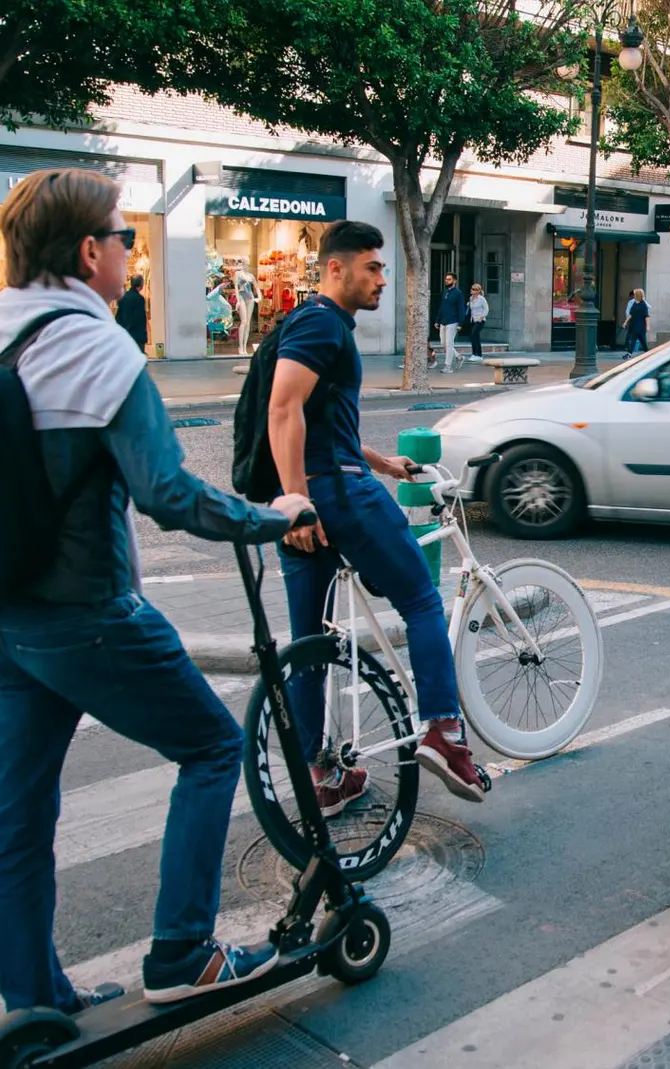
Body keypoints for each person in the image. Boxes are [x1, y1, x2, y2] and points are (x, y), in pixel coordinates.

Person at [0, 169, 314, 1011]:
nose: (130, 251)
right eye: (124, 238)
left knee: (19, 814)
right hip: (87, 616)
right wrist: (272, 515)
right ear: (87, 252)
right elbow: (169, 494)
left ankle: (34, 1001)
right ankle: (183, 951)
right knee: (214, 747)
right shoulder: (101, 347)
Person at [266, 221, 489, 813]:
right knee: (420, 599)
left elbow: (321, 422)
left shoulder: (311, 323)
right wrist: (299, 504)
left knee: (310, 645)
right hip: (334, 496)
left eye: (383, 268)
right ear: (335, 268)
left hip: (322, 489)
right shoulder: (320, 322)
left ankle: (324, 777)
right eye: (372, 268)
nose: (382, 279)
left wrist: (384, 463)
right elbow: (284, 410)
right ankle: (444, 731)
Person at [434, 273, 466, 370]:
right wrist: (437, 320)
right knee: (443, 343)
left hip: (453, 321)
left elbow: (461, 309)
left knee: (449, 343)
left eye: (449, 279)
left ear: (454, 281)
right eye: (446, 279)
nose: (447, 281)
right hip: (443, 321)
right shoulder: (445, 292)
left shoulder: (458, 293)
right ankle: (459, 357)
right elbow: (442, 307)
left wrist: (461, 323)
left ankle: (448, 366)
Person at [114, 274, 148, 352]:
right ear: (141, 284)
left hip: (125, 334)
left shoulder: (123, 297)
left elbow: (118, 317)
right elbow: (139, 318)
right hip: (137, 335)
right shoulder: (139, 299)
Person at [623, 288, 651, 353]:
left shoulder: (644, 304)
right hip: (634, 324)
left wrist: (648, 326)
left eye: (635, 294)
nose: (634, 296)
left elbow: (646, 316)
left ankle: (647, 352)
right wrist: (625, 322)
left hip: (641, 325)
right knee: (633, 339)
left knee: (642, 340)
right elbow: (631, 314)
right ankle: (629, 353)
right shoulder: (634, 303)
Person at [467, 283, 489, 359]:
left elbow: (486, 309)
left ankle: (478, 354)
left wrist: (482, 317)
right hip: (473, 320)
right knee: (475, 337)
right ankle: (475, 354)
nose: (471, 290)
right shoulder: (470, 298)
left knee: (473, 335)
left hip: (480, 320)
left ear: (477, 291)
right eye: (471, 289)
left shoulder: (481, 299)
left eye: (473, 289)